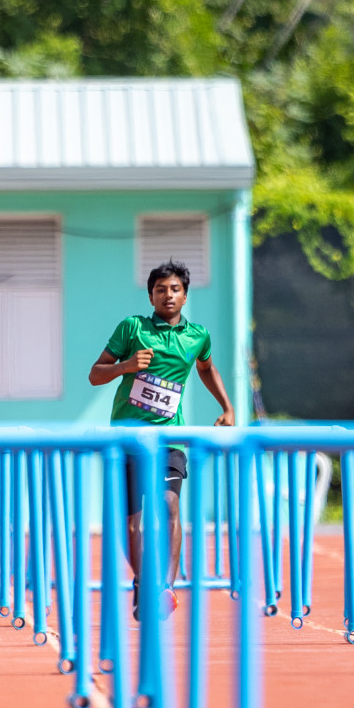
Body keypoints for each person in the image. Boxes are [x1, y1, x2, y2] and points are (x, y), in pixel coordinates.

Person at [88, 260, 234, 618]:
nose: (167, 296)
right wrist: (125, 366)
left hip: (170, 439)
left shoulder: (197, 335)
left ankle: (165, 588)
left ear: (185, 295)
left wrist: (227, 408)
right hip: (129, 436)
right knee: (132, 521)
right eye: (160, 290)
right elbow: (95, 375)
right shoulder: (132, 328)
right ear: (150, 296)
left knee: (169, 505)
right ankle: (143, 582)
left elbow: (206, 367)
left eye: (174, 289)